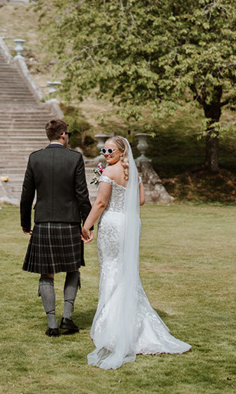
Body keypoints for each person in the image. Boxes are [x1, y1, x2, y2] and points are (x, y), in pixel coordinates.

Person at [81, 136, 190, 369]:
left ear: (121, 151)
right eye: (103, 149)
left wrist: (87, 225)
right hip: (129, 225)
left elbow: (100, 203)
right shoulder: (133, 173)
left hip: (112, 225)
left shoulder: (109, 173)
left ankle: (112, 327)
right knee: (125, 270)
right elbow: (140, 201)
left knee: (111, 269)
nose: (106, 152)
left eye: (110, 149)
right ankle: (134, 325)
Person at [21, 119, 92, 337]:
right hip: (69, 223)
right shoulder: (74, 158)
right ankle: (67, 318)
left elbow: (26, 195)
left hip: (43, 223)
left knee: (46, 272)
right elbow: (82, 195)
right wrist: (86, 224)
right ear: (63, 135)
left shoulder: (35, 158)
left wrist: (26, 223)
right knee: (72, 268)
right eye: (68, 134)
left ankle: (52, 325)